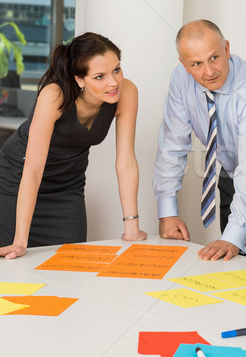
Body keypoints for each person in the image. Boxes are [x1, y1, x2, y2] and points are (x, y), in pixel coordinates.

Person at [153, 19, 246, 265]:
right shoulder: (181, 79)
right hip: (232, 171)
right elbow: (172, 144)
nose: (209, 71)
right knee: (230, 265)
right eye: (196, 64)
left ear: (227, 49)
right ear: (184, 64)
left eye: (214, 58)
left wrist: (234, 235)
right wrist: (167, 211)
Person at [0, 32, 147, 258]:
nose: (113, 82)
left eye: (116, 69)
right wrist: (20, 240)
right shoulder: (54, 95)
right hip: (16, 182)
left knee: (70, 264)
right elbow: (32, 170)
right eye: (99, 76)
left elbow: (126, 161)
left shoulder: (127, 92)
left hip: (67, 187)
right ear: (79, 79)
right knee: (16, 267)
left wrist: (132, 229)